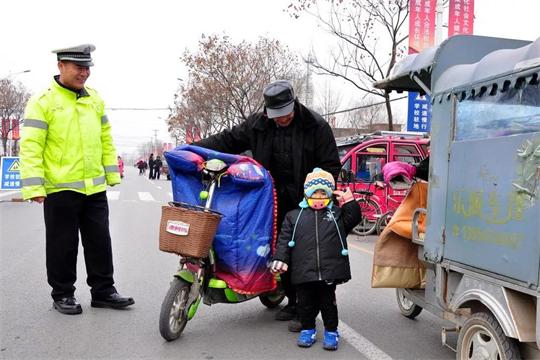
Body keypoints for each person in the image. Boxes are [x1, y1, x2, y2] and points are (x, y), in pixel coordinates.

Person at [195, 80, 341, 331]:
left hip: (307, 200)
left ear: (294, 104)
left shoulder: (316, 127)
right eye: (275, 115)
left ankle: (303, 309)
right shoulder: (258, 125)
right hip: (271, 199)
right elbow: (227, 140)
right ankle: (292, 299)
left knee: (303, 255)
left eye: (285, 114)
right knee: (279, 249)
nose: (280, 119)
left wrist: (318, 195)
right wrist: (193, 148)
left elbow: (330, 165)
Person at [19, 44, 134, 315]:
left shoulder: (95, 99)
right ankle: (63, 294)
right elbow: (31, 146)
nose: (84, 73)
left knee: (100, 241)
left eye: (87, 68)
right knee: (63, 244)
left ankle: (104, 291)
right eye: (79, 67)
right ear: (61, 66)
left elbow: (105, 139)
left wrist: (111, 174)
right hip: (60, 188)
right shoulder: (43, 101)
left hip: (94, 187)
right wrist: (35, 186)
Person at [271, 168, 361, 350]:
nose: (318, 197)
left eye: (323, 193)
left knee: (328, 304)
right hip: (303, 271)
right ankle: (308, 329)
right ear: (306, 193)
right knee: (304, 304)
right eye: (315, 193)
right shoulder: (293, 216)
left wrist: (349, 202)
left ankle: (331, 331)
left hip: (329, 271)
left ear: (329, 195)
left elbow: (353, 218)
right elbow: (284, 240)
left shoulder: (336, 215)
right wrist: (281, 259)